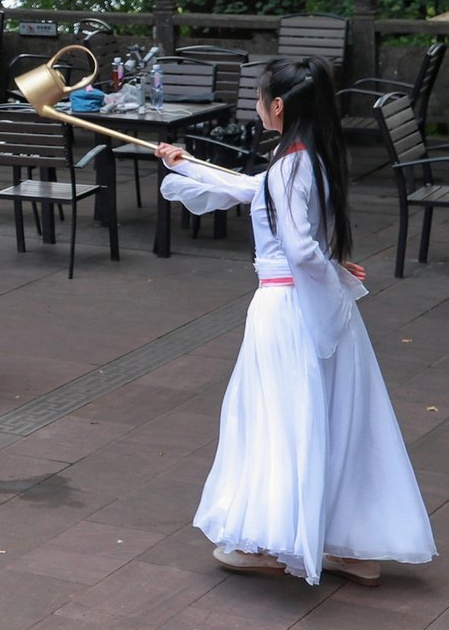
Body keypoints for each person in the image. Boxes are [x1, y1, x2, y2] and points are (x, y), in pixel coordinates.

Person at [157, 57, 436, 587]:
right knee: (331, 420)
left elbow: (301, 249)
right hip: (311, 304)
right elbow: (253, 190)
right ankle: (350, 544)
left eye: (261, 98)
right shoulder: (310, 158)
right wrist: (185, 162)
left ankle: (273, 537)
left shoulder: (291, 165)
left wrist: (328, 274)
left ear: (278, 106)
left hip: (289, 308)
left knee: (279, 418)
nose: (258, 105)